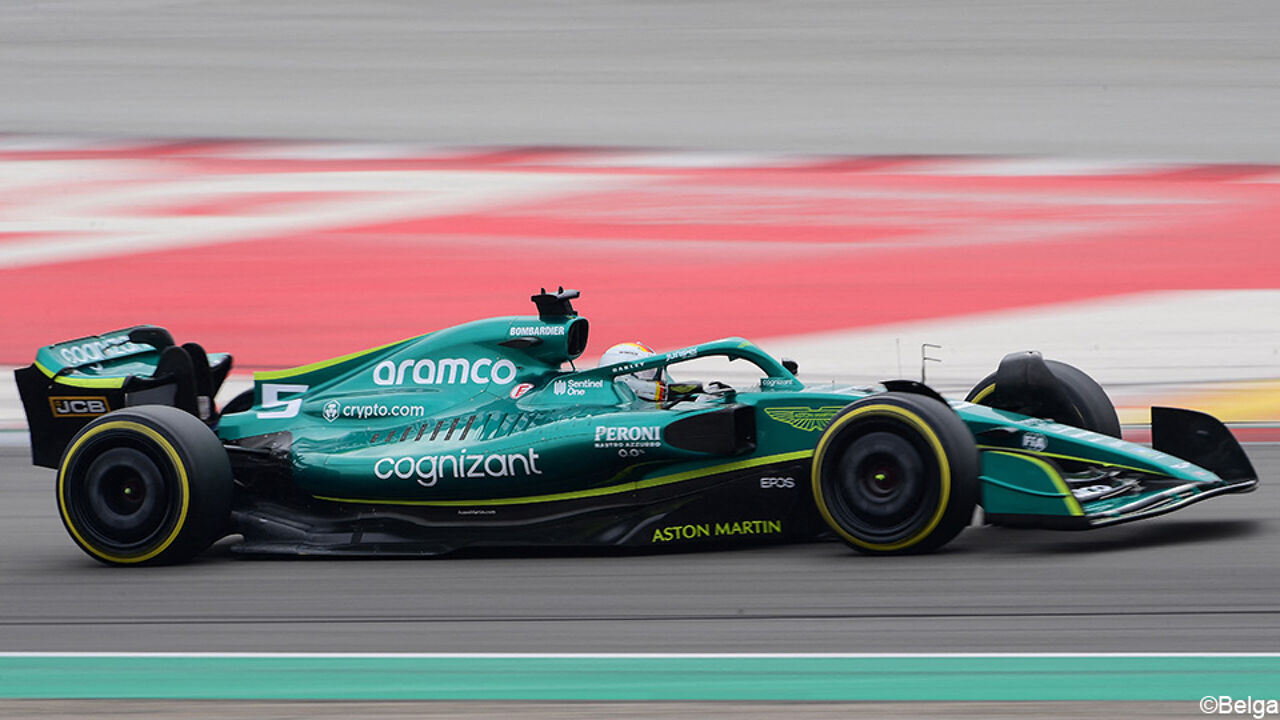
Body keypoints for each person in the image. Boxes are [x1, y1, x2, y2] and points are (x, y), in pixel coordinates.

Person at [599, 342, 730, 404]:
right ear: (622, 376)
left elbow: (675, 392)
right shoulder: (620, 413)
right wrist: (701, 407)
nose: (658, 379)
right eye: (647, 373)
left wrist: (702, 395)